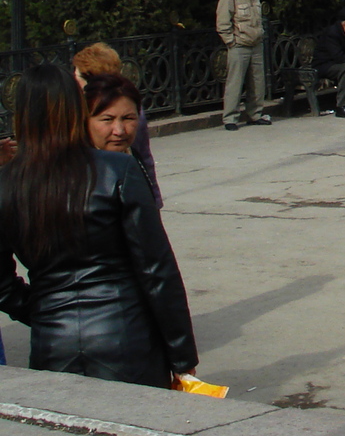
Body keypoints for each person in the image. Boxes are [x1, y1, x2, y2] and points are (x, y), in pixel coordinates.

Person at [0, 64, 198, 386]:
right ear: (76, 110)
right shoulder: (117, 169)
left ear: (20, 114)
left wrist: (45, 310)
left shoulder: (6, 185)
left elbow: (2, 285)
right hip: (126, 335)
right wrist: (182, 355)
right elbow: (157, 270)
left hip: (53, 343)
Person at [71, 45, 160, 202]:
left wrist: (153, 199)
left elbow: (143, 156)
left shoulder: (131, 108)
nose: (119, 130)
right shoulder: (73, 109)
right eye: (107, 119)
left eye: (78, 75)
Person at [80, 75, 163, 208]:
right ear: (85, 120)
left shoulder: (133, 158)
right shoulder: (76, 173)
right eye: (107, 119)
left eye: (128, 118)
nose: (119, 131)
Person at [217, 0, 269, 132]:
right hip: (239, 45)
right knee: (235, 82)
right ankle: (230, 117)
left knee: (257, 81)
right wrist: (231, 42)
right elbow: (223, 22)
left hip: (255, 44)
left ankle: (255, 114)